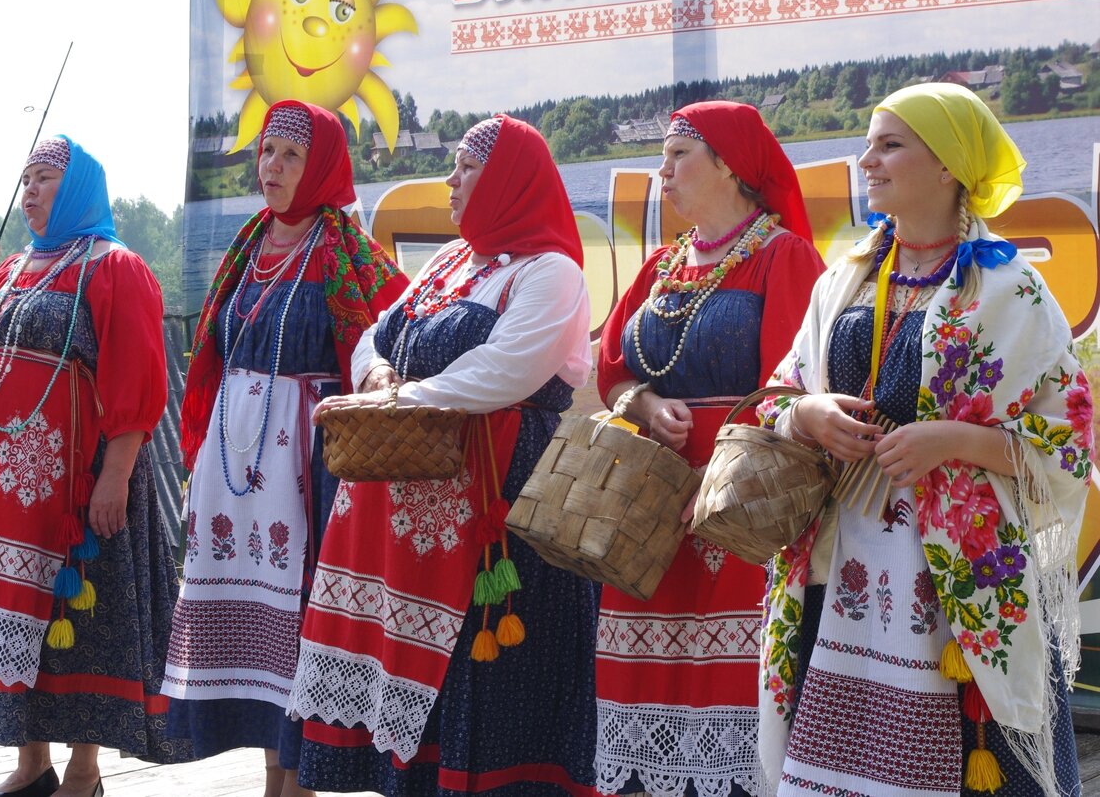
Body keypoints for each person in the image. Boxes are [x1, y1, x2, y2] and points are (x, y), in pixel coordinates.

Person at [757, 82, 1090, 796]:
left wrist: (954, 442)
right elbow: (780, 394)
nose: (865, 159)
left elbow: (1070, 442)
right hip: (838, 558)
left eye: (889, 144)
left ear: (948, 166)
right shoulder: (845, 277)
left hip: (957, 585)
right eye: (869, 142)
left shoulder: (1010, 290)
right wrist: (806, 414)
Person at [287, 114, 597, 795]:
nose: (450, 180)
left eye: (466, 166)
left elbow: (507, 370)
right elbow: (378, 330)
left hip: (497, 505)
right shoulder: (453, 261)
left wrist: (403, 400)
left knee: (484, 683)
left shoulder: (553, 273)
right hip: (411, 509)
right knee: (417, 688)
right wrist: (374, 377)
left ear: (510, 178)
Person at [0, 136, 190, 797]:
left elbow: (139, 378)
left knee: (78, 627)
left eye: (44, 178)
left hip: (77, 484)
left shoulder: (113, 267)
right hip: (1, 494)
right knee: (18, 623)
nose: (31, 190)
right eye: (26, 179)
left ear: (78, 189)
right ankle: (31, 762)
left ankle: (84, 770)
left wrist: (116, 473)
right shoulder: (12, 270)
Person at [163, 99, 407, 797]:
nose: (271, 166)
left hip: (308, 469)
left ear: (323, 165)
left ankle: (293, 786)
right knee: (261, 632)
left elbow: (393, 334)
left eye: (291, 155)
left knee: (301, 618)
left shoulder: (345, 252)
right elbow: (215, 353)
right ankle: (275, 777)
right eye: (267, 151)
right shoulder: (248, 247)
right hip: (238, 463)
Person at [594, 101, 825, 797]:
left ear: (729, 164)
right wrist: (637, 400)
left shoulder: (783, 257)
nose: (660, 171)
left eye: (677, 155)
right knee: (642, 703)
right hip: (651, 510)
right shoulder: (664, 265)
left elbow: (793, 382)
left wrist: (725, 463)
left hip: (737, 513)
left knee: (734, 703)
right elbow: (609, 362)